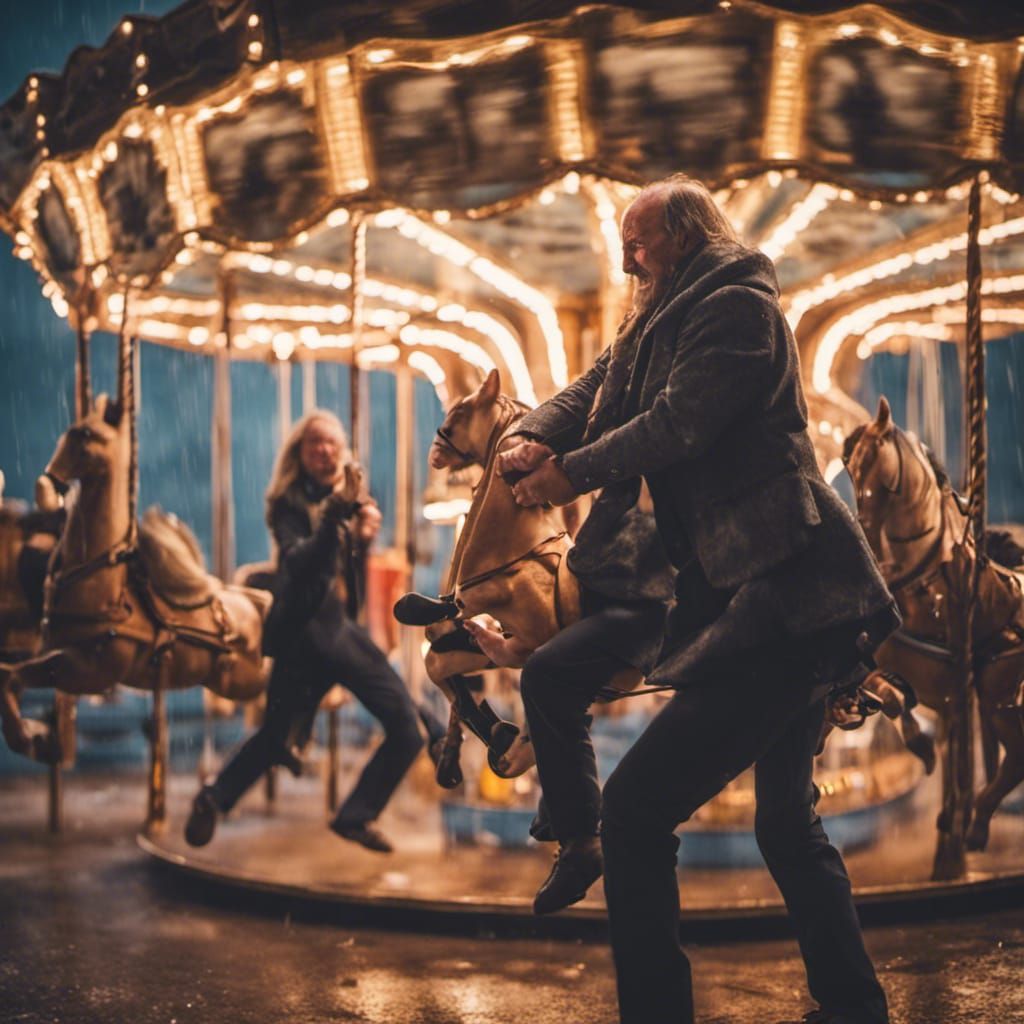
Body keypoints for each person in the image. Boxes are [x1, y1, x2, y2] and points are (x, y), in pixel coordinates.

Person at [499, 174, 897, 1024]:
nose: (626, 258)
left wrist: (568, 472)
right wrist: (533, 429)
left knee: (638, 814)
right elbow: (596, 387)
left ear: (683, 235)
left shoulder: (735, 305)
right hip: (765, 601)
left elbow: (679, 423)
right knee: (786, 823)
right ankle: (855, 1006)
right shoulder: (658, 318)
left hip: (786, 594)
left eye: (639, 241)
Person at [185, 410, 445, 854]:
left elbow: (348, 572)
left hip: (324, 631)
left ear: (341, 451)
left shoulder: (351, 500)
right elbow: (301, 565)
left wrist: (360, 536)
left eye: (330, 443)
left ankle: (214, 797)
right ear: (300, 453)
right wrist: (337, 519)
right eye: (313, 444)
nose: (323, 450)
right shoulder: (287, 504)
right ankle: (362, 808)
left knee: (274, 737)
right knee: (405, 727)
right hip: (314, 629)